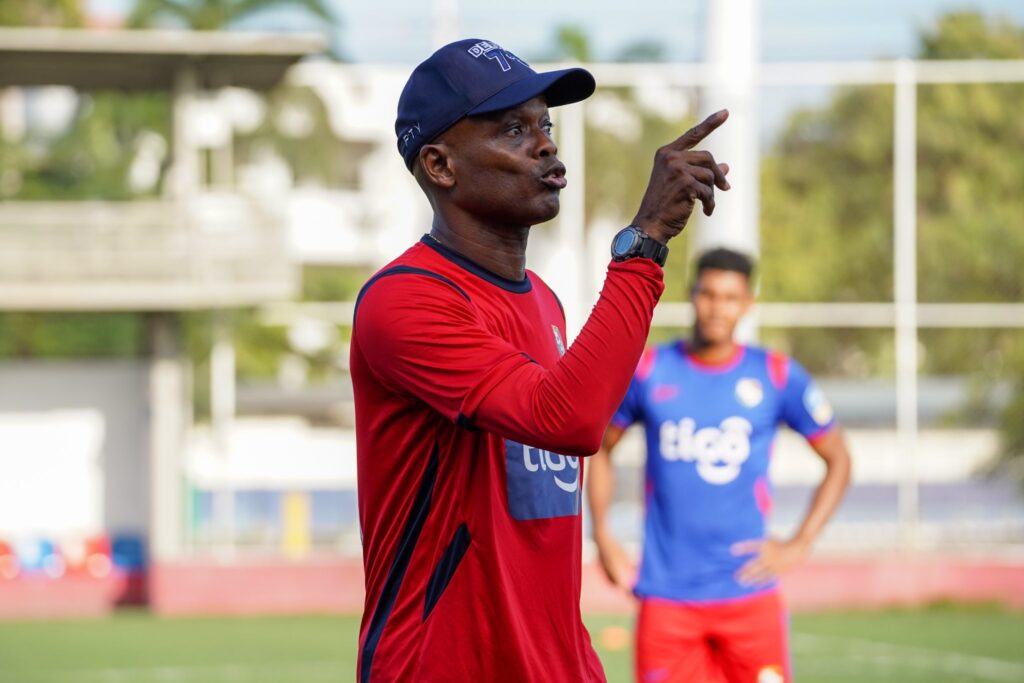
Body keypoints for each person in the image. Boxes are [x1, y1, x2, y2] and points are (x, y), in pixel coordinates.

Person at [350, 38, 730, 682]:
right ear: (440, 165)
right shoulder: (405, 301)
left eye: (545, 125)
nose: (546, 145)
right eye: (513, 130)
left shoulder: (544, 302)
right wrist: (644, 244)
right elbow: (570, 419)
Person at [588, 248, 852, 683]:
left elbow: (838, 458)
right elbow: (598, 445)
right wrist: (602, 534)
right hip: (667, 599)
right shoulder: (651, 370)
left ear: (748, 304)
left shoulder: (775, 374)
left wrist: (801, 542)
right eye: (708, 294)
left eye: (730, 298)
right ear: (692, 295)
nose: (717, 307)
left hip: (749, 594)